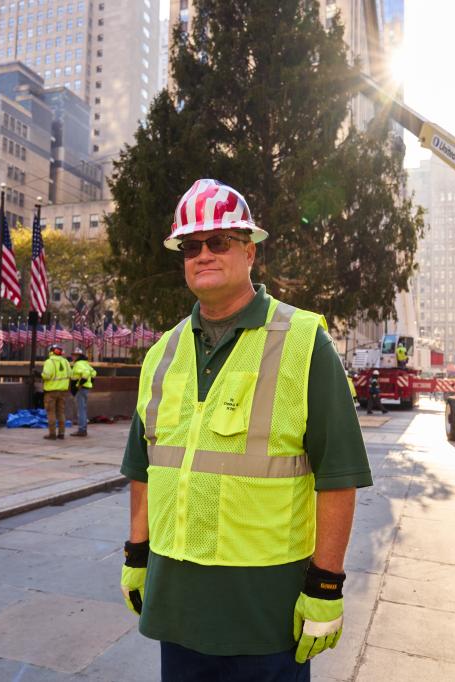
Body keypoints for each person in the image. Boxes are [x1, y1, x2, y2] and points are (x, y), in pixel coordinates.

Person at [119, 179, 372, 680]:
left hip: (266, 609)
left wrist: (325, 585)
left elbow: (337, 477)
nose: (204, 253)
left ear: (250, 251)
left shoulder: (304, 342)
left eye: (219, 241)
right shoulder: (162, 354)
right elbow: (145, 468)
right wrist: (136, 553)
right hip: (176, 604)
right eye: (192, 245)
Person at [41, 343, 71, 440]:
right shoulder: (66, 362)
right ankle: (61, 433)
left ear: (51, 351)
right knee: (61, 413)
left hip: (51, 392)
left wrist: (39, 375)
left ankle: (52, 434)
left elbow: (47, 375)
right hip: (62, 391)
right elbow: (70, 374)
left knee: (51, 413)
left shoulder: (49, 362)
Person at [70, 348, 96, 437]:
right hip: (85, 388)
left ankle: (81, 429)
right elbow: (93, 372)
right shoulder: (85, 363)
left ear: (78, 356)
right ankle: (83, 428)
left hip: (81, 389)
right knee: (83, 409)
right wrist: (90, 382)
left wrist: (80, 384)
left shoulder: (78, 364)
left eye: (74, 355)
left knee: (81, 409)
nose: (72, 356)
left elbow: (86, 373)